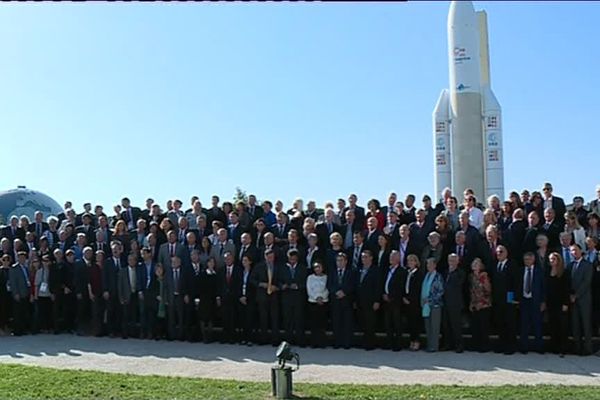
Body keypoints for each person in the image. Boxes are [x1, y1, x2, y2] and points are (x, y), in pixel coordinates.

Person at [490, 245, 517, 354]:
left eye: (501, 252)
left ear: (506, 253)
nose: (499, 254)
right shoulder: (496, 265)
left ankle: (510, 346)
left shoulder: (512, 265)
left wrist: (511, 299)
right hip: (498, 299)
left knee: (509, 323)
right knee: (500, 322)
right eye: (497, 252)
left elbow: (515, 282)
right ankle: (502, 344)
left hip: (509, 298)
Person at [567, 244, 593, 355]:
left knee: (586, 324)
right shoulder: (570, 265)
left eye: (576, 250)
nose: (574, 252)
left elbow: (586, 282)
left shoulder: (587, 265)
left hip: (584, 299)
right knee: (575, 324)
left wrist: (576, 295)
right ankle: (577, 347)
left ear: (580, 251)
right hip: (572, 300)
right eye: (572, 251)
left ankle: (588, 348)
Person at [251, 249, 280, 345]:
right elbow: (252, 279)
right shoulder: (259, 267)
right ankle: (263, 339)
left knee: (274, 318)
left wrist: (277, 287)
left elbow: (282, 279)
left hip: (274, 295)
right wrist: (260, 284)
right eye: (268, 257)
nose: (270, 259)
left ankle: (275, 340)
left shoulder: (278, 267)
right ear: (265, 257)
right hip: (262, 295)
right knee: (263, 318)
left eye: (272, 257)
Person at [518, 252, 545, 354]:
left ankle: (539, 347)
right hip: (524, 300)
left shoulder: (539, 271)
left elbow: (543, 287)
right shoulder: (521, 271)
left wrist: (543, 301)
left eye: (529, 259)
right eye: (525, 259)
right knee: (524, 324)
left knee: (537, 324)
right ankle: (524, 347)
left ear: (533, 259)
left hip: (536, 301)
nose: (527, 261)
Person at [278, 249, 307, 346]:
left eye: (294, 259)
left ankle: (300, 340)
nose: (292, 261)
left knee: (299, 319)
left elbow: (306, 282)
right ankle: (288, 341)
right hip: (286, 296)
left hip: (298, 297)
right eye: (290, 259)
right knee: (287, 319)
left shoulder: (302, 268)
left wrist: (298, 286)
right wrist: (282, 286)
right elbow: (278, 280)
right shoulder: (283, 268)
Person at [327, 252, 355, 349]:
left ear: (346, 261)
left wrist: (344, 292)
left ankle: (347, 343)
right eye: (338, 260)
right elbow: (329, 285)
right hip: (335, 300)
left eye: (341, 260)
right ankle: (337, 342)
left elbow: (352, 285)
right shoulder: (332, 272)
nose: (339, 262)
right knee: (336, 322)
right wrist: (336, 292)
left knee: (347, 322)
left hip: (346, 300)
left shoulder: (351, 272)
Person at [356, 250, 382, 351]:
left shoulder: (376, 270)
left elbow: (378, 286)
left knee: (370, 323)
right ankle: (364, 342)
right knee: (362, 321)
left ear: (371, 258)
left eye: (366, 257)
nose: (364, 259)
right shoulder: (359, 269)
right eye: (362, 257)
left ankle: (370, 343)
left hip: (371, 301)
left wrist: (377, 301)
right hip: (360, 300)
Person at [546, 252, 570, 357]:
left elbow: (566, 289)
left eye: (553, 259)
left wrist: (565, 303)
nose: (552, 261)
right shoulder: (547, 271)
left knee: (562, 326)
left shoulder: (564, 272)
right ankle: (554, 347)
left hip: (561, 302)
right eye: (550, 259)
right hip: (551, 303)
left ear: (558, 260)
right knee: (553, 325)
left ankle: (563, 348)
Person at [442, 253, 465, 353]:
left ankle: (459, 345)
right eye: (450, 260)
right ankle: (448, 344)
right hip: (445, 302)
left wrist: (453, 272)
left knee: (456, 325)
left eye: (453, 260)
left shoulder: (460, 273)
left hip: (455, 303)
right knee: (446, 325)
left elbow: (458, 284)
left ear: (458, 261)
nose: (451, 262)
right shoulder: (445, 272)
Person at [421, 257, 444, 352]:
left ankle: (434, 346)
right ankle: (429, 345)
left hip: (435, 305)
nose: (428, 266)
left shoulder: (438, 276)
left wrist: (429, 300)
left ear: (435, 265)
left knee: (434, 327)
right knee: (428, 326)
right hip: (426, 305)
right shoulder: (426, 275)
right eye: (427, 264)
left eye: (430, 264)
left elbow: (440, 291)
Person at [469, 258, 492, 352]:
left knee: (484, 326)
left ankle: (484, 346)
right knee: (475, 326)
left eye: (477, 263)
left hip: (484, 304)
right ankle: (475, 345)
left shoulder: (484, 276)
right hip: (474, 303)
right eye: (473, 263)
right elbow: (471, 290)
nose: (474, 265)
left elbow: (488, 290)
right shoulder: (471, 276)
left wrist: (481, 302)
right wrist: (472, 303)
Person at [306, 261, 329, 348]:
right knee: (314, 323)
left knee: (322, 324)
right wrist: (316, 297)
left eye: (319, 267)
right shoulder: (310, 277)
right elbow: (309, 289)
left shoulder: (326, 277)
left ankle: (322, 342)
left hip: (323, 302)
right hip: (313, 302)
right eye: (315, 267)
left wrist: (321, 297)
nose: (317, 269)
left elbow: (327, 288)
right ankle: (314, 342)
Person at [9, 251, 31, 336]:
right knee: (17, 313)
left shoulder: (25, 268)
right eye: (20, 257)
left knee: (23, 312)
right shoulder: (14, 268)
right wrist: (15, 293)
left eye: (23, 258)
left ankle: (23, 329)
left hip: (25, 293)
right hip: (18, 293)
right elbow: (13, 282)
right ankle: (17, 330)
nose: (22, 259)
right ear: (17, 258)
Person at [403, 254, 422, 351]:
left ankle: (416, 341)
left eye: (412, 260)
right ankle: (411, 341)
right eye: (408, 260)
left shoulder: (419, 273)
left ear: (416, 262)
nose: (410, 262)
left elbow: (417, 289)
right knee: (410, 322)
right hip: (406, 301)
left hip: (415, 302)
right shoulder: (407, 272)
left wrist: (410, 299)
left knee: (416, 322)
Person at [235, 255, 256, 346]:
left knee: (250, 319)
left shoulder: (253, 272)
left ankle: (250, 339)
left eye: (246, 260)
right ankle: (242, 338)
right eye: (243, 260)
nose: (244, 262)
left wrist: (246, 297)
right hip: (241, 298)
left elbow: (253, 287)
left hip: (250, 299)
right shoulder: (240, 272)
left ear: (250, 262)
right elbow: (236, 285)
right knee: (242, 319)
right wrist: (240, 296)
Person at [198, 257, 218, 343]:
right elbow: (199, 286)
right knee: (203, 317)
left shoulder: (216, 274)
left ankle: (210, 336)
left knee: (211, 317)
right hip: (203, 298)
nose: (211, 264)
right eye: (210, 262)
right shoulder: (202, 274)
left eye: (213, 262)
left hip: (212, 299)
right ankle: (203, 336)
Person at [35, 255, 53, 333]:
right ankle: (42, 327)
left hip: (49, 294)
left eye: (47, 261)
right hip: (41, 294)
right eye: (44, 261)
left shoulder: (52, 271)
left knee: (49, 311)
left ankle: (48, 327)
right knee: (42, 312)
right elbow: (36, 284)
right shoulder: (39, 271)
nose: (45, 263)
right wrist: (36, 295)